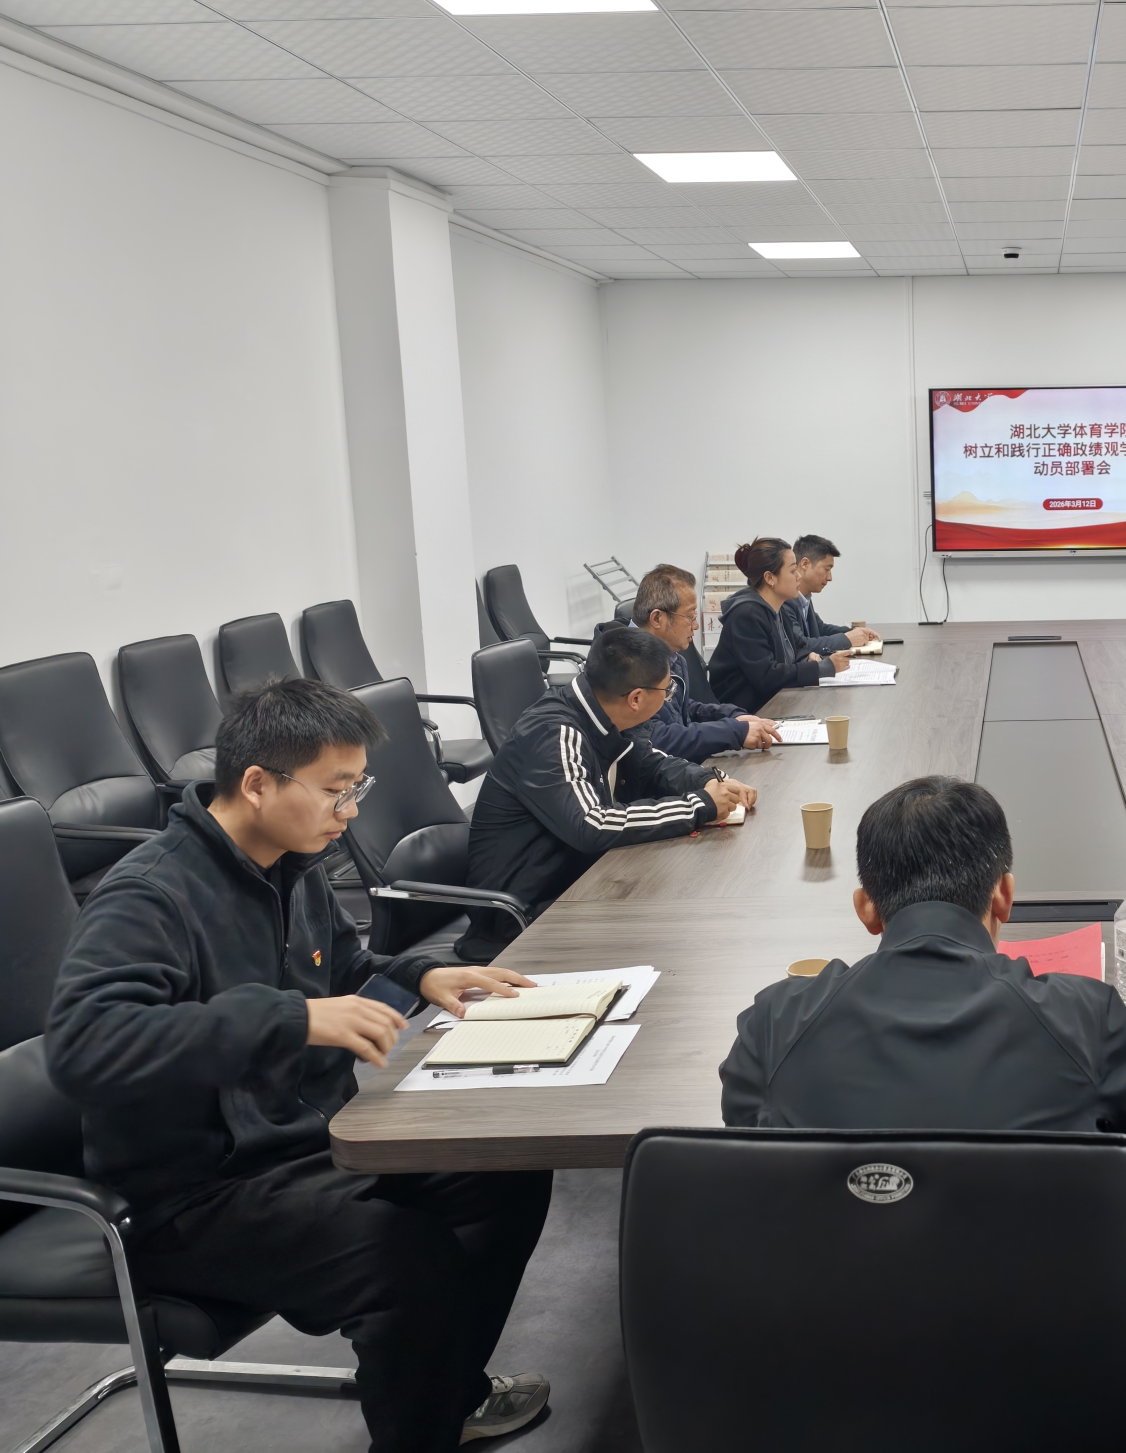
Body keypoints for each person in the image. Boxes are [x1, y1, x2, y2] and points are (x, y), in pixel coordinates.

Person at [44, 679, 556, 1453]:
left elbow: (344, 968)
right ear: (257, 784)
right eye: (335, 790)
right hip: (191, 1194)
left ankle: (447, 1395)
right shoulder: (150, 894)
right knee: (402, 1259)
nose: (349, 812)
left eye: (358, 789)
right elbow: (85, 1044)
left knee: (504, 1170)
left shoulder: (293, 863)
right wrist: (291, 1018)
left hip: (305, 1147)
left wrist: (419, 974)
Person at [720, 776, 1126, 1149]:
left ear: (866, 908)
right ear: (1004, 896)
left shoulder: (775, 1023)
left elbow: (745, 1132)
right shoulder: (1083, 1019)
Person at [467, 626, 756, 948]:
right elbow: (593, 824)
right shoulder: (553, 733)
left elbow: (649, 762)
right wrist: (698, 805)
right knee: (693, 928)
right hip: (526, 917)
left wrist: (708, 780)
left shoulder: (604, 711)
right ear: (636, 698)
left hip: (585, 880)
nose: (668, 697)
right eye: (667, 690)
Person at [632, 564, 781, 759]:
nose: (695, 625)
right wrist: (732, 732)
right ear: (657, 618)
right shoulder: (627, 664)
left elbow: (684, 708)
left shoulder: (671, 656)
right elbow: (657, 739)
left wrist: (734, 717)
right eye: (689, 616)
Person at [710, 537, 850, 713]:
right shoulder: (747, 615)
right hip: (749, 712)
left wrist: (809, 657)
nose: (799, 576)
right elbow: (767, 676)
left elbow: (799, 647)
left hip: (777, 701)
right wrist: (821, 668)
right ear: (770, 578)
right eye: (792, 571)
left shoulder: (778, 608)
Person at [782, 534, 879, 657]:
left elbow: (820, 629)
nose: (830, 578)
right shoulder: (785, 601)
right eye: (827, 569)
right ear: (805, 564)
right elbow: (801, 645)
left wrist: (854, 632)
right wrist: (847, 639)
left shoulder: (804, 598)